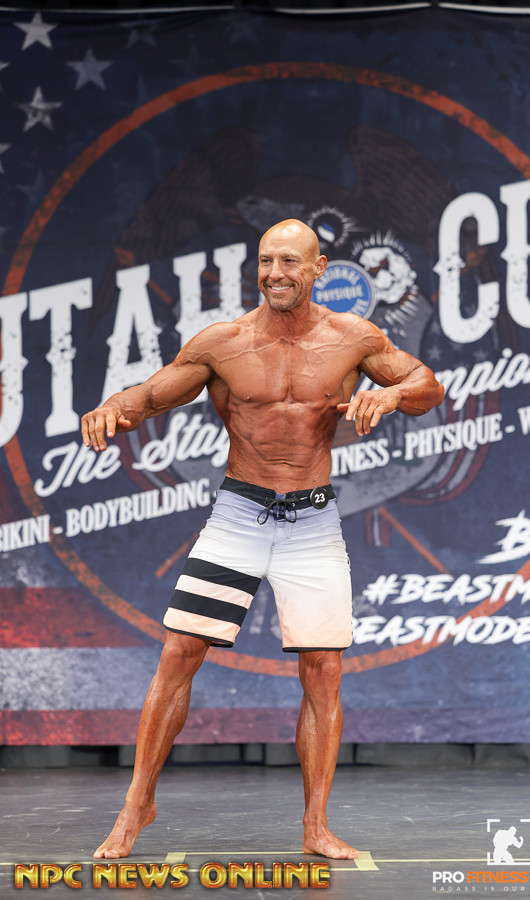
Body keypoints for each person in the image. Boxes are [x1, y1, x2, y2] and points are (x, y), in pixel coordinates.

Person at [81, 218, 444, 861]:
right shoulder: (224, 343)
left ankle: (316, 825)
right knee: (180, 650)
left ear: (318, 268)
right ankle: (137, 803)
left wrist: (390, 399)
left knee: (323, 670)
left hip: (312, 520)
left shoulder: (352, 337)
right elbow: (153, 394)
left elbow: (426, 385)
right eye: (266, 261)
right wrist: (115, 406)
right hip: (239, 514)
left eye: (289, 262)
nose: (275, 273)